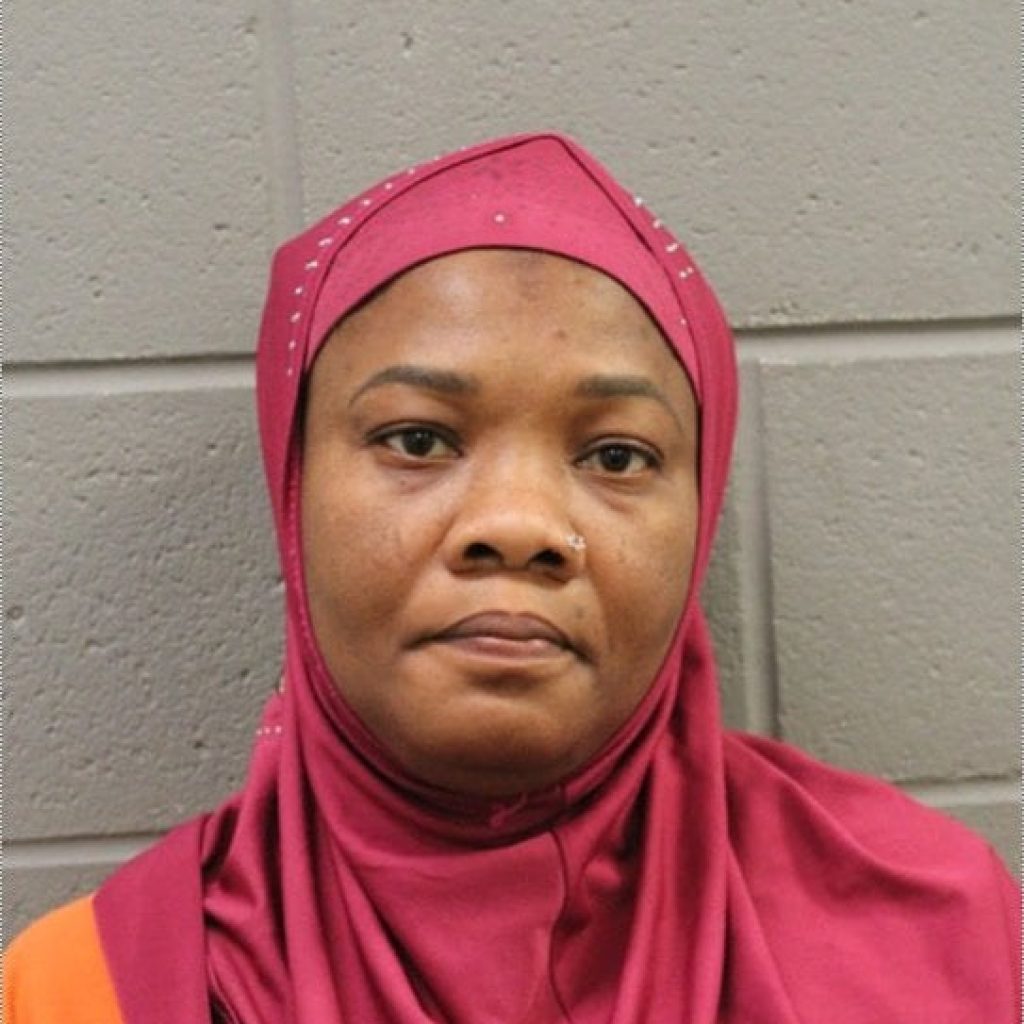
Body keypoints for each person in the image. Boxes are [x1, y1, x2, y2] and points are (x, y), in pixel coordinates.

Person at [5, 133, 1019, 1023]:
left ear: (701, 505)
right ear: (295, 486)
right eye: (417, 439)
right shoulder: (83, 991)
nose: (518, 526)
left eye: (616, 455)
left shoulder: (950, 938)